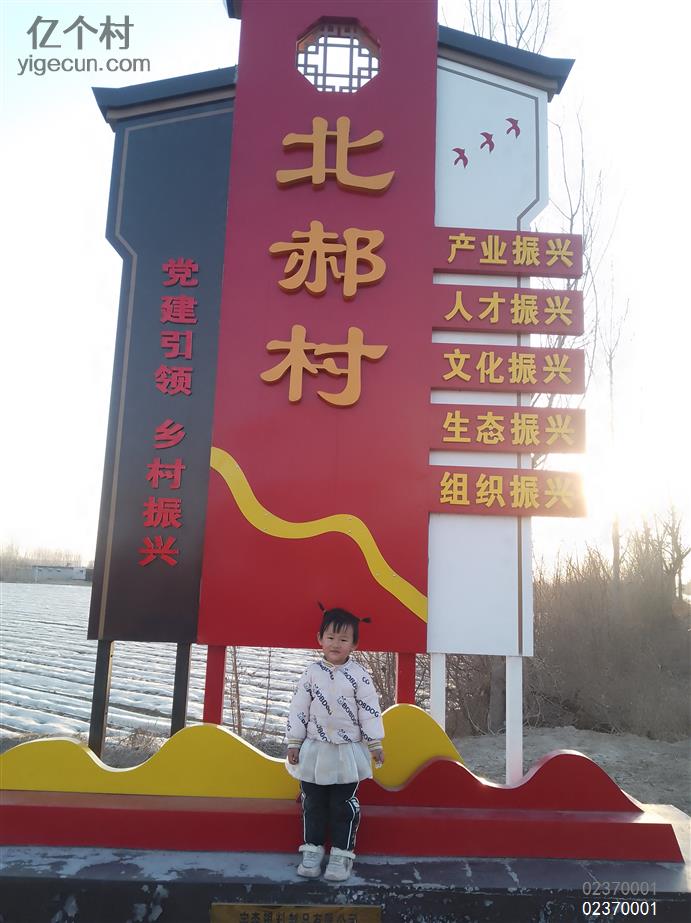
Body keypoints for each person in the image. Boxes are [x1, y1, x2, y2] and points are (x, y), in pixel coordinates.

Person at [286, 604, 385, 882]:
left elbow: (369, 710)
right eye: (330, 637)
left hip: (346, 752)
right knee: (313, 802)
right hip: (315, 750)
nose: (335, 644)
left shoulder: (359, 675)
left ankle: (342, 855)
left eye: (343, 639)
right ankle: (312, 850)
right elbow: (299, 708)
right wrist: (294, 742)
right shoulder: (311, 673)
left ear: (354, 644)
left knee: (343, 804)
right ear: (320, 639)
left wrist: (375, 744)